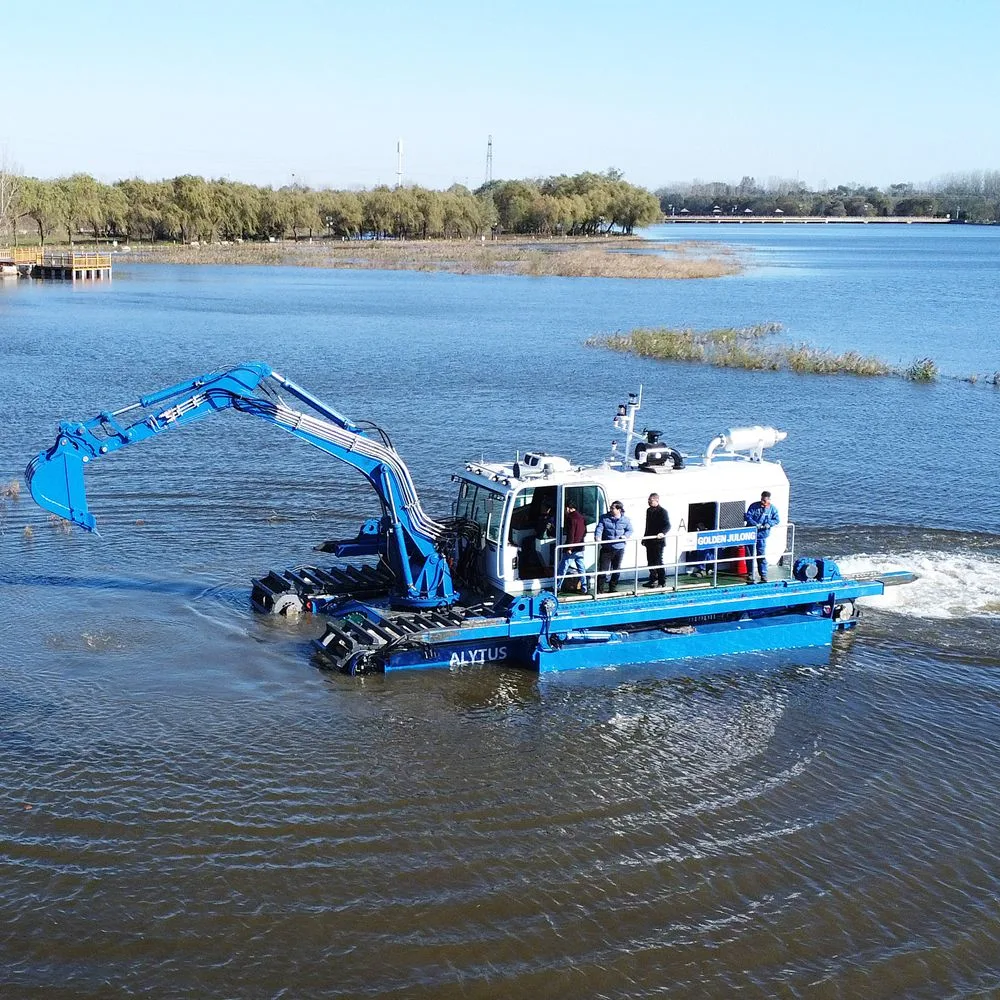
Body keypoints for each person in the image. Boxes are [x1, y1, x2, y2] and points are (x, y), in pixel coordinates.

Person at [594, 500, 633, 593]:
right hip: (607, 548)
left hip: (619, 548)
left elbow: (630, 530)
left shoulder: (625, 520)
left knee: (616, 569)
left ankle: (612, 588)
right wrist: (597, 536)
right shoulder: (604, 518)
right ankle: (600, 590)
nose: (610, 509)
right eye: (611, 507)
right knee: (602, 570)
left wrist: (625, 536)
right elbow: (599, 528)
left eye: (612, 508)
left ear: (619, 510)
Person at [744, 490, 780, 583]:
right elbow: (748, 516)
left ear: (769, 500)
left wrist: (769, 524)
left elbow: (776, 519)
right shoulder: (754, 506)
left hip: (762, 535)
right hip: (751, 534)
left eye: (765, 501)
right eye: (762, 500)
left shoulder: (773, 509)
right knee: (749, 555)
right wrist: (754, 524)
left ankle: (763, 574)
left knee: (761, 555)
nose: (763, 502)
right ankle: (750, 574)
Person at [557, 500, 588, 594]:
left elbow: (571, 534)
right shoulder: (582, 518)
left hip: (572, 547)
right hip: (580, 546)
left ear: (568, 508)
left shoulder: (570, 518)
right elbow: (584, 532)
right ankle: (584, 587)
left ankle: (557, 587)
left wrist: (569, 548)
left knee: (563, 567)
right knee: (581, 568)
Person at [641, 493, 670, 587]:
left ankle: (662, 581)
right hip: (649, 540)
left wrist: (662, 533)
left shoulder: (662, 511)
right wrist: (644, 538)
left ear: (656, 500)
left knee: (658, 561)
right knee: (650, 561)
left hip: (658, 541)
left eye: (650, 500)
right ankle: (652, 579)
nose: (648, 502)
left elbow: (667, 525)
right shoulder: (649, 511)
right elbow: (648, 526)